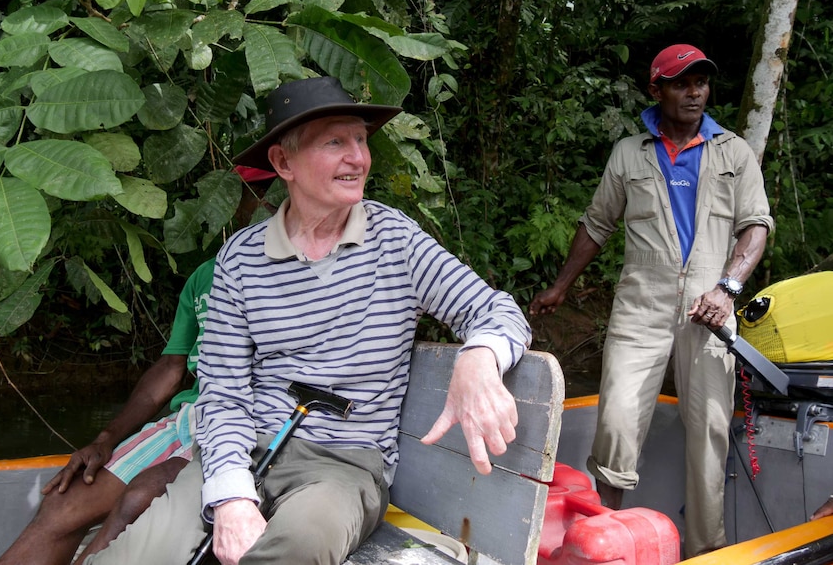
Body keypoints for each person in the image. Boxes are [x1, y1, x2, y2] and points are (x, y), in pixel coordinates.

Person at [84, 75, 532, 565]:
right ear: (283, 163)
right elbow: (224, 393)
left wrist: (479, 357)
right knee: (130, 558)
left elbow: (495, 310)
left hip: (346, 467)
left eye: (361, 140)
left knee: (298, 547)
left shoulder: (395, 239)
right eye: (335, 142)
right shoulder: (240, 260)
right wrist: (232, 496)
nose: (358, 157)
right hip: (247, 447)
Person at [529, 44, 773, 558]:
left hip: (712, 308)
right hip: (642, 303)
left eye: (702, 82)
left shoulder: (733, 152)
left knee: (709, 429)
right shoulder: (629, 153)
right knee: (615, 423)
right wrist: (561, 286)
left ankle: (707, 550)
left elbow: (756, 227)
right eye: (683, 83)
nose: (695, 92)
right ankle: (604, 540)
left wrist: (727, 288)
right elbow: (597, 225)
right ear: (656, 89)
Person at [0, 168, 276, 565]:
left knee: (140, 497)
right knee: (63, 503)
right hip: (189, 417)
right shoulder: (206, 275)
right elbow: (171, 366)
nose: (263, 204)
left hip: (248, 424)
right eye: (252, 194)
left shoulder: (309, 276)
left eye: (270, 194)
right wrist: (105, 438)